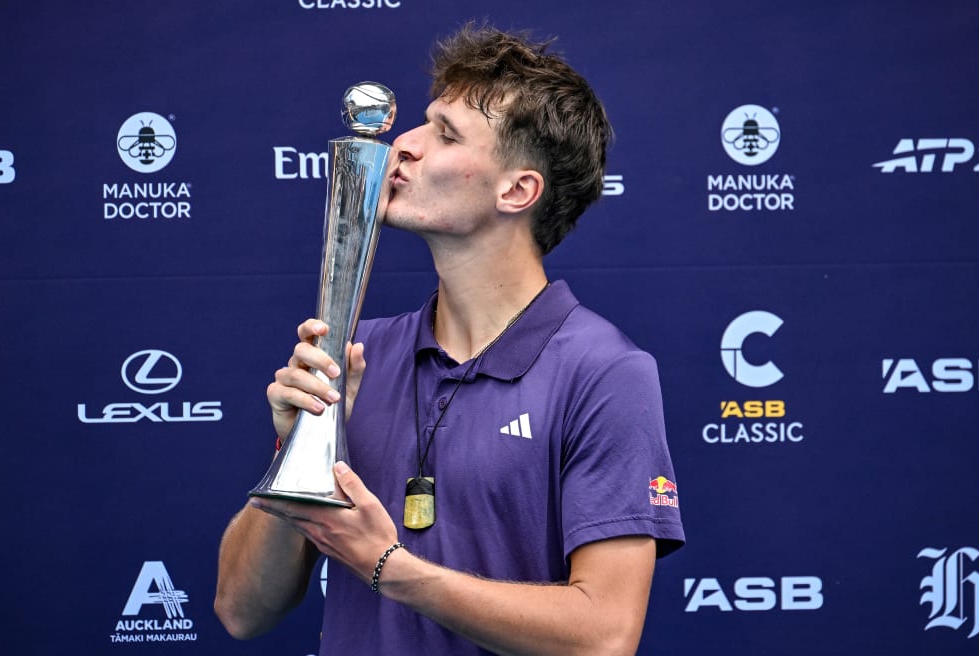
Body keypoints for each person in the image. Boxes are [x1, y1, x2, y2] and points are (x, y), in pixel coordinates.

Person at [215, 23, 684, 655]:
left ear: (517, 190)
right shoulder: (358, 356)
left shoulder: (604, 372)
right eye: (421, 123)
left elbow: (602, 637)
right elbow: (242, 609)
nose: (403, 146)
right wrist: (300, 446)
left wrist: (390, 566)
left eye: (445, 133)